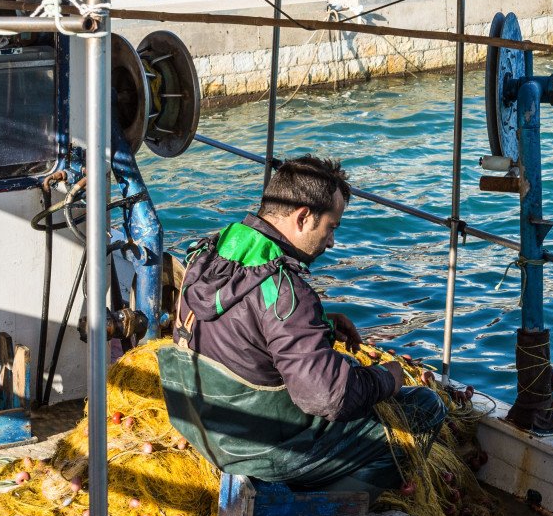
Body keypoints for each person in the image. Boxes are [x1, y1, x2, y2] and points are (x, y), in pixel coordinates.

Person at [159, 155, 444, 496]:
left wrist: (321, 322)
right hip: (258, 449)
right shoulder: (285, 290)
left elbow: (245, 325)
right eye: (331, 227)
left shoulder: (209, 252)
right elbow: (327, 399)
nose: (332, 242)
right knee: (424, 409)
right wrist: (388, 378)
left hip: (202, 424)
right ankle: (321, 513)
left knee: (350, 374)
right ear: (304, 216)